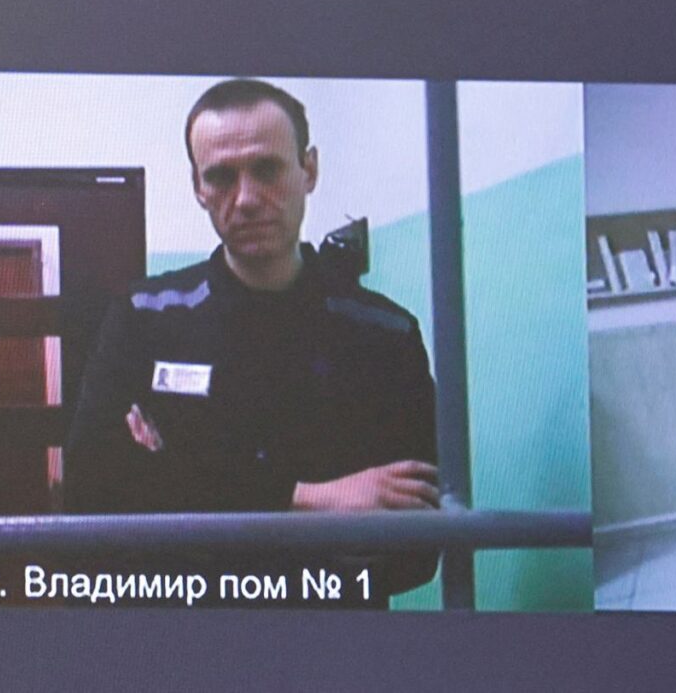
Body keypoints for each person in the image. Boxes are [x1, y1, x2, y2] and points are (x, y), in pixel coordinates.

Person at [65, 79, 439, 606]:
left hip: (330, 634)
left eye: (267, 169)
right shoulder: (144, 318)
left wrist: (177, 478)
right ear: (197, 186)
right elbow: (92, 496)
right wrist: (312, 498)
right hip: (185, 630)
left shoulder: (384, 335)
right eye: (221, 176)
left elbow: (416, 552)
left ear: (309, 170)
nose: (245, 199)